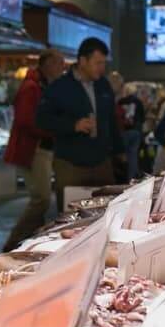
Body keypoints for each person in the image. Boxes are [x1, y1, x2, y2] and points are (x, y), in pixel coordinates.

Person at [37, 37, 123, 210]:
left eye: (103, 63)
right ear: (83, 61)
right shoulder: (60, 87)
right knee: (72, 215)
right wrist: (73, 126)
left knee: (106, 212)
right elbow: (42, 120)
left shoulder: (104, 86)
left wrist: (119, 151)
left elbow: (112, 120)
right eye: (98, 63)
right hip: (71, 164)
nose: (102, 68)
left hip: (102, 163)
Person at [1, 49, 66, 251]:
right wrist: (53, 129)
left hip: (39, 149)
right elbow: (26, 120)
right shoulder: (32, 87)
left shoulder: (42, 85)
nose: (62, 67)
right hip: (33, 150)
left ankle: (30, 243)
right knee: (41, 199)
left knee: (42, 200)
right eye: (59, 63)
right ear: (47, 64)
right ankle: (14, 243)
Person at [117, 82, 146, 181]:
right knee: (133, 155)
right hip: (135, 132)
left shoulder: (120, 102)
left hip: (123, 132)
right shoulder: (138, 102)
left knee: (122, 155)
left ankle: (122, 177)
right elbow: (142, 118)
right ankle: (132, 177)